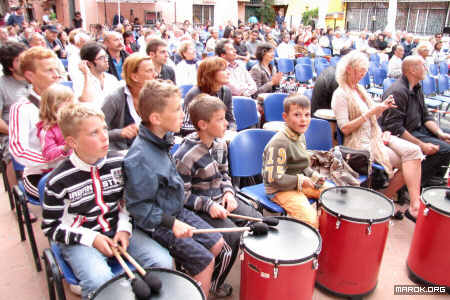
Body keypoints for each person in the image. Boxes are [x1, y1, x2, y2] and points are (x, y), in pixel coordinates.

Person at [42, 102, 172, 299]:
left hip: (117, 229)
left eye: (104, 128)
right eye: (94, 133)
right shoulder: (58, 182)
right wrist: (92, 239)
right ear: (72, 142)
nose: (104, 136)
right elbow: (51, 228)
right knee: (100, 282)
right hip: (80, 239)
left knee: (164, 262)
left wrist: (124, 229)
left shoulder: (119, 163)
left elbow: (126, 204)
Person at [124, 80, 232, 298]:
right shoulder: (139, 158)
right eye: (176, 110)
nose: (182, 114)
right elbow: (139, 208)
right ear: (155, 118)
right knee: (205, 262)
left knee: (218, 243)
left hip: (175, 211)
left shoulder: (163, 139)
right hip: (157, 222)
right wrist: (172, 223)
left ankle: (187, 285)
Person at [175, 94, 262, 297]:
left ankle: (253, 272)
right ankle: (215, 282)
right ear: (203, 124)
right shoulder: (185, 156)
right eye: (221, 119)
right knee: (231, 237)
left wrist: (229, 193)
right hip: (199, 207)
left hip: (221, 198)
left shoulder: (221, 144)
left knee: (256, 220)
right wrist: (208, 206)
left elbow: (224, 173)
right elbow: (182, 196)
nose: (227, 123)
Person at [331, 51, 423, 220]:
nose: (363, 74)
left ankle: (395, 201)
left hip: (376, 135)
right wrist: (371, 113)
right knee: (409, 159)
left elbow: (373, 119)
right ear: (349, 69)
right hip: (358, 143)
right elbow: (344, 129)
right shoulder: (340, 94)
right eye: (361, 71)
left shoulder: (360, 89)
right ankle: (407, 205)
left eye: (365, 71)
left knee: (415, 153)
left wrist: (382, 109)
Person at [380, 55, 450, 190]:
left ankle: (433, 178)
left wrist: (439, 133)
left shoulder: (416, 87)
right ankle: (411, 185)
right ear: (412, 70)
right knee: (444, 149)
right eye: (423, 66)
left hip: (417, 128)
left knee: (446, 139)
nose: (426, 68)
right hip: (403, 133)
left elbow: (425, 115)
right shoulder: (397, 92)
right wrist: (422, 145)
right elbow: (394, 128)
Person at [263, 95, 329, 228]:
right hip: (279, 189)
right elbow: (273, 178)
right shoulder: (279, 143)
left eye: (307, 114)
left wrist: (314, 176)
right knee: (310, 221)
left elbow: (302, 165)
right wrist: (301, 180)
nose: (303, 119)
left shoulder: (300, 135)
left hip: (297, 182)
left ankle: (327, 236)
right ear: (285, 117)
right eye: (297, 115)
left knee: (332, 195)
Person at [9, 47, 62, 198]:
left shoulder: (67, 100)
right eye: (49, 71)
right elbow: (18, 149)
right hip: (39, 172)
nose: (56, 75)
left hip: (69, 166)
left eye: (56, 69)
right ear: (30, 76)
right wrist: (54, 158)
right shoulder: (21, 108)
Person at [102, 53, 156, 151]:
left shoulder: (154, 95)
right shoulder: (114, 99)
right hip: (122, 154)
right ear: (134, 77)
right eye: (149, 71)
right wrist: (120, 133)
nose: (155, 74)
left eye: (154, 70)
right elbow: (97, 132)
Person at [0, 41, 29, 207]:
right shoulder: (2, 85)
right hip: (10, 132)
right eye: (20, 59)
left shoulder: (33, 78)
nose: (25, 61)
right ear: (10, 65)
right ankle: (20, 202)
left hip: (39, 129)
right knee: (12, 155)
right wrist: (16, 133)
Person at [182, 57, 236, 136]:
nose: (228, 73)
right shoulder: (194, 94)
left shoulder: (226, 91)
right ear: (210, 73)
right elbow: (184, 126)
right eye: (223, 70)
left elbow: (230, 120)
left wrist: (231, 132)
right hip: (198, 139)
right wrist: (210, 129)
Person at [36, 84, 73, 169]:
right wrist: (65, 148)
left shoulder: (76, 122)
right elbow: (48, 155)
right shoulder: (47, 130)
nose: (71, 104)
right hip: (59, 168)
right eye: (65, 101)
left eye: (71, 100)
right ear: (51, 106)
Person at [74, 42, 119, 107]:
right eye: (101, 58)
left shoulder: (111, 79)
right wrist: (86, 75)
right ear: (89, 63)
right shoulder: (81, 80)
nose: (106, 60)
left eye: (106, 56)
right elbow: (85, 102)